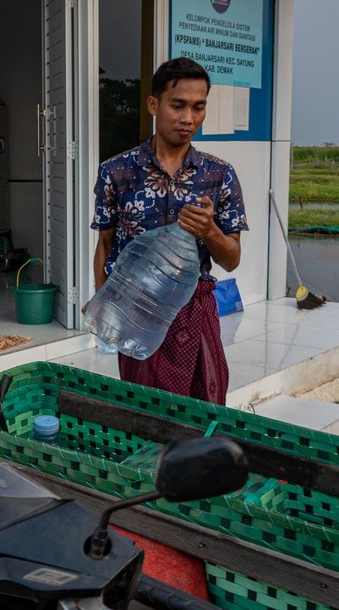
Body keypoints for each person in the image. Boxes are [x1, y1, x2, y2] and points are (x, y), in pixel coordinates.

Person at [91, 57, 247, 404]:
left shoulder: (219, 175)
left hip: (195, 310)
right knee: (144, 410)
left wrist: (210, 232)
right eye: (178, 105)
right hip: (137, 309)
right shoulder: (116, 172)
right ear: (153, 104)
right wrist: (103, 303)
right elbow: (104, 243)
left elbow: (232, 260)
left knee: (204, 406)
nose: (188, 118)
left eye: (198, 107)